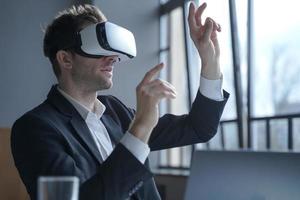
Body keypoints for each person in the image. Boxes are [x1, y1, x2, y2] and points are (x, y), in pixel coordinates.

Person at [11, 2, 229, 200]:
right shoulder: (34, 128)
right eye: (98, 48)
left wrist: (210, 61)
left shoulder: (116, 112)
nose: (113, 58)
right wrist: (141, 126)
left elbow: (199, 128)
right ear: (65, 59)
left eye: (112, 49)